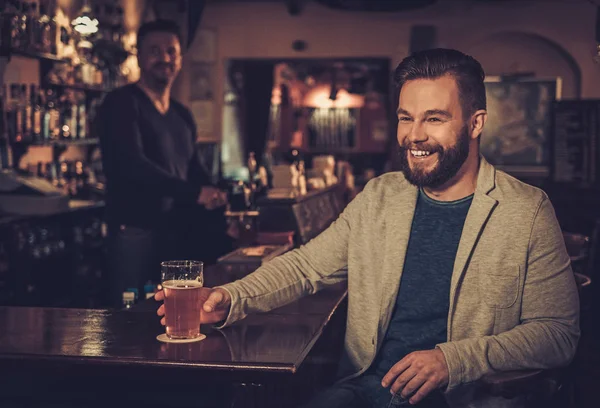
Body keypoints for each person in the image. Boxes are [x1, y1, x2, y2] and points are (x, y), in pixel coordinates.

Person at [156, 49, 579, 407]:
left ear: (475, 122)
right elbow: (305, 267)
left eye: (434, 118)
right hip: (362, 390)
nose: (414, 136)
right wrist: (229, 298)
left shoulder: (525, 210)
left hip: (462, 397)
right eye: (405, 117)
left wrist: (454, 360)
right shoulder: (379, 196)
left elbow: (558, 334)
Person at [97, 20, 230, 307]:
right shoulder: (121, 103)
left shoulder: (181, 114)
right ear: (140, 57)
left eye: (172, 51)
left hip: (176, 230)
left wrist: (214, 191)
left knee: (172, 310)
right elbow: (132, 165)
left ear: (181, 59)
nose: (165, 58)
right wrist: (195, 193)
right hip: (135, 228)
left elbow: (193, 166)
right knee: (129, 313)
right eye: (155, 51)